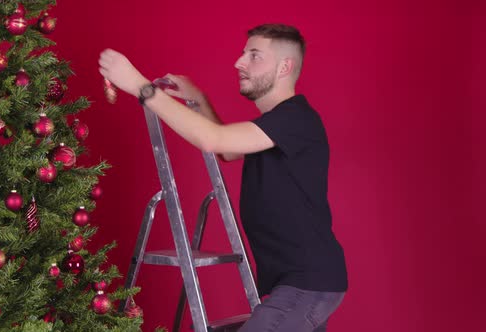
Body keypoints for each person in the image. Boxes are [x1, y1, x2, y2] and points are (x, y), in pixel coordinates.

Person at [98, 23, 348, 332]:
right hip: (300, 282)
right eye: (243, 54)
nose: (239, 63)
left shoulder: (295, 118)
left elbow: (214, 140)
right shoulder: (274, 125)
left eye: (254, 56)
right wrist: (200, 100)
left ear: (286, 67)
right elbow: (228, 151)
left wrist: (140, 87)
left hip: (307, 283)